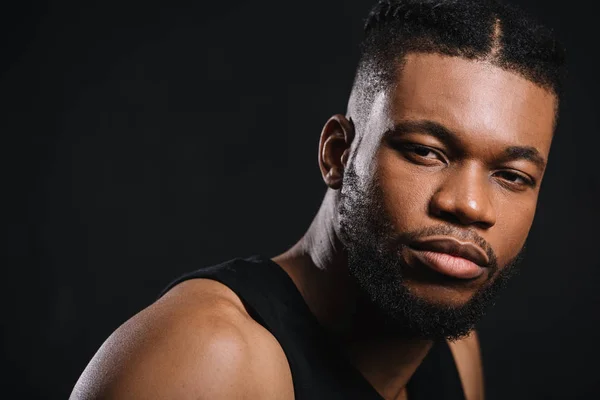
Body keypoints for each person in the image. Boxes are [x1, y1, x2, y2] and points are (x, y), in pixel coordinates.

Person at [71, 0, 565, 399]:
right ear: (338, 154)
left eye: (512, 175)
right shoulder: (213, 359)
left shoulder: (453, 353)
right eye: (425, 152)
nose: (471, 206)